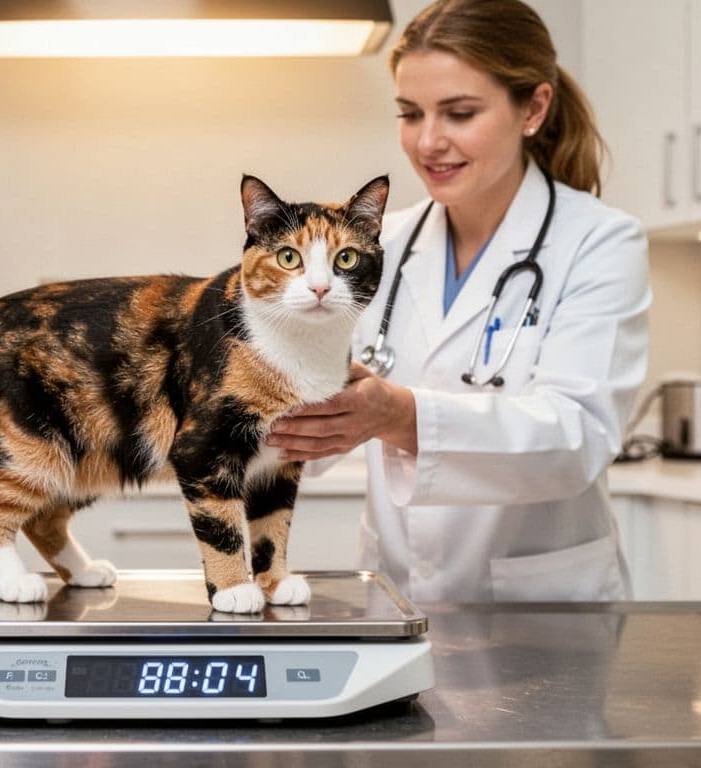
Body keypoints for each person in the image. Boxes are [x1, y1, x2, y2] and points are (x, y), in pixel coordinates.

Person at [268, 0, 650, 602]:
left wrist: (398, 415)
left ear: (534, 109)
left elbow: (578, 437)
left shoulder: (598, 241)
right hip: (397, 596)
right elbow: (305, 416)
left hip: (544, 611)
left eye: (460, 113)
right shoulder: (377, 244)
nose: (428, 142)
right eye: (410, 113)